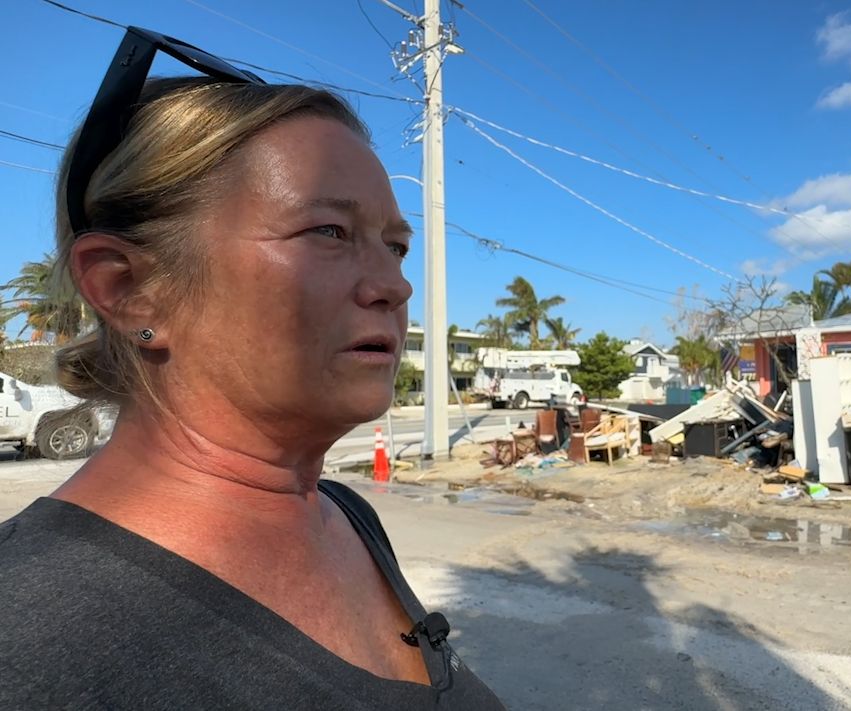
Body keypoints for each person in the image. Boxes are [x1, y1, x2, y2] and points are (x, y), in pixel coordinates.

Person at [0, 26, 504, 709]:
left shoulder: (344, 515)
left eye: (395, 246)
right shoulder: (28, 638)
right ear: (127, 288)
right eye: (327, 231)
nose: (394, 285)